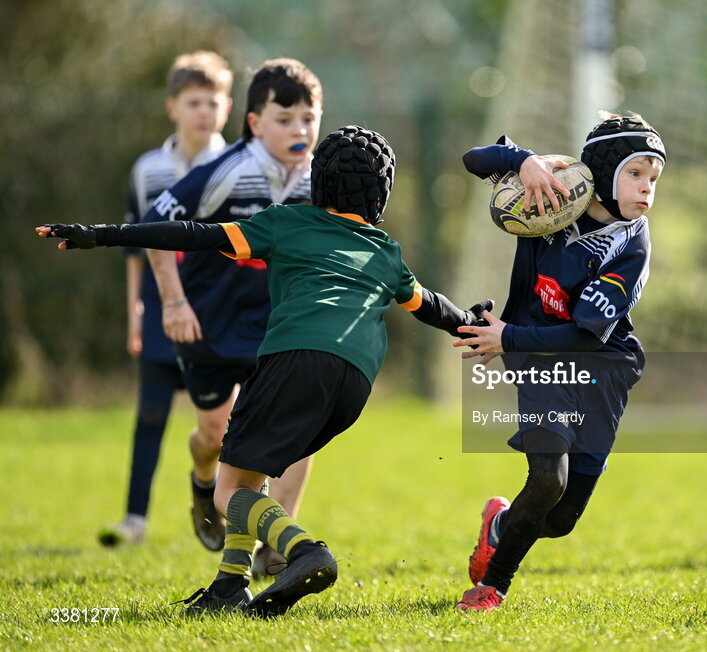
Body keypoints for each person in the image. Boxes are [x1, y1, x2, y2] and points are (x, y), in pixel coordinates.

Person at [38, 125, 493, 616]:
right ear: (382, 192)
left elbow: (194, 235)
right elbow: (430, 307)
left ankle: (304, 551)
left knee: (227, 491)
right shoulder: (385, 251)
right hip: (355, 383)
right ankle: (229, 586)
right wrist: (471, 320)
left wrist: (101, 235)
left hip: (297, 358)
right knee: (248, 474)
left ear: (319, 181)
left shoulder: (286, 223)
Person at [452, 112, 665, 611]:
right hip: (539, 359)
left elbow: (586, 336)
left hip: (600, 363)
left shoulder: (631, 243)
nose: (646, 188)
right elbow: (473, 160)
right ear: (606, 169)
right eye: (635, 173)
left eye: (654, 178)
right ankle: (493, 586)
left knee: (563, 516)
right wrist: (524, 161)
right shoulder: (551, 190)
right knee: (548, 479)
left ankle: (500, 525)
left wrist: (507, 337)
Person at [140, 58, 323, 568]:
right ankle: (203, 480)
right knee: (217, 438)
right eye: (284, 119)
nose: (299, 130)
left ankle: (274, 552)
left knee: (300, 425)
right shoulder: (224, 172)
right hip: (210, 323)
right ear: (254, 123)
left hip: (281, 326)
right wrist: (173, 303)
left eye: (309, 118)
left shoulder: (323, 180)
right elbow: (155, 229)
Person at [98, 51, 233, 548]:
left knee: (222, 429)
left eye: (212, 102)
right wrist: (136, 311)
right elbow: (136, 245)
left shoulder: (238, 164)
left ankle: (216, 500)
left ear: (227, 107)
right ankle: (134, 519)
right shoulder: (148, 169)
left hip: (219, 310)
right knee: (151, 414)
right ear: (172, 106)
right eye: (193, 102)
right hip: (160, 310)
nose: (203, 111)